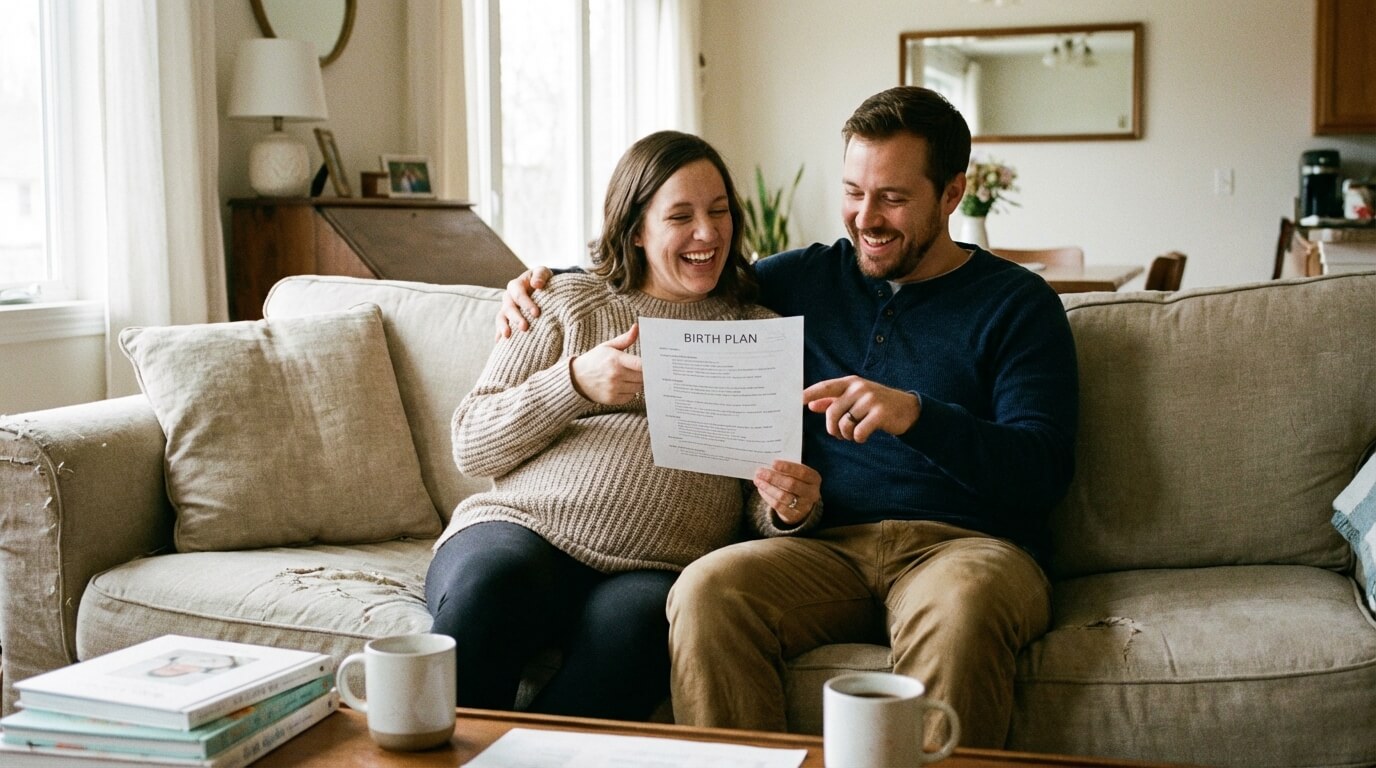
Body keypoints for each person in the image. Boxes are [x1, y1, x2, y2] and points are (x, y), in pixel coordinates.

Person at [494, 86, 1079, 747]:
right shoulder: (799, 281)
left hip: (966, 548)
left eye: (892, 197)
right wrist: (545, 282)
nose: (866, 217)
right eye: (854, 191)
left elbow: (1042, 472)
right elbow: (670, 272)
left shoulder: (1018, 304)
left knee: (962, 608)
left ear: (951, 195)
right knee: (705, 590)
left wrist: (918, 415)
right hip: (821, 551)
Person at [425, 130, 822, 722]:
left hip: (655, 567)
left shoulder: (757, 331)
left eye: (719, 213)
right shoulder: (565, 300)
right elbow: (472, 441)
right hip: (522, 533)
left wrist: (788, 509)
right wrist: (576, 384)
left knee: (639, 631)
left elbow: (756, 502)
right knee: (493, 586)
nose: (708, 234)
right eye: (681, 216)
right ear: (637, 228)